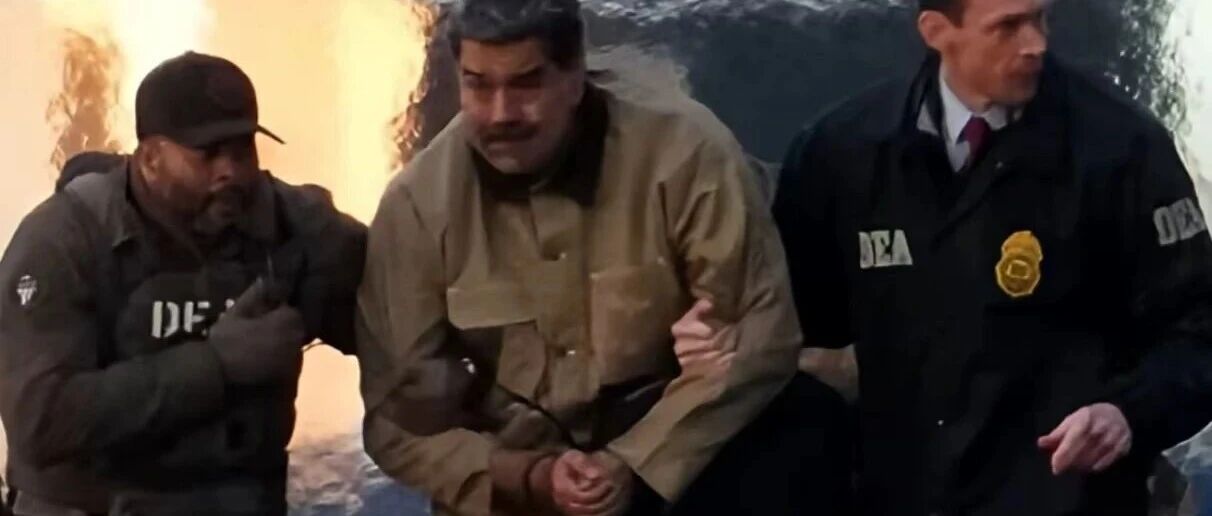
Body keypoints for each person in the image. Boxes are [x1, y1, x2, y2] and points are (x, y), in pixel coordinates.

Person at [352, 0, 841, 514]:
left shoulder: (684, 152)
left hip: (674, 460)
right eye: (478, 85)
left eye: (526, 84)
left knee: (804, 419)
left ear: (575, 76)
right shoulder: (416, 206)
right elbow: (396, 425)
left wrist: (634, 462)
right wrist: (532, 478)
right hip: (519, 484)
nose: (501, 114)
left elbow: (761, 336)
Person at [763, 0, 1212, 514]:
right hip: (905, 494)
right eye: (1008, 27)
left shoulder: (1121, 148)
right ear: (937, 31)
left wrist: (1128, 413)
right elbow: (797, 322)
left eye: (1040, 18)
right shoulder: (843, 153)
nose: (1036, 44)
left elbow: (1198, 330)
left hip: (1068, 496)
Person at [0, 52, 366, 516]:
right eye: (208, 154)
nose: (230, 171)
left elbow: (403, 310)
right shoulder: (63, 241)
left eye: (242, 150)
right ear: (150, 158)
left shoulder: (296, 227)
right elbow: (40, 422)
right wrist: (216, 365)